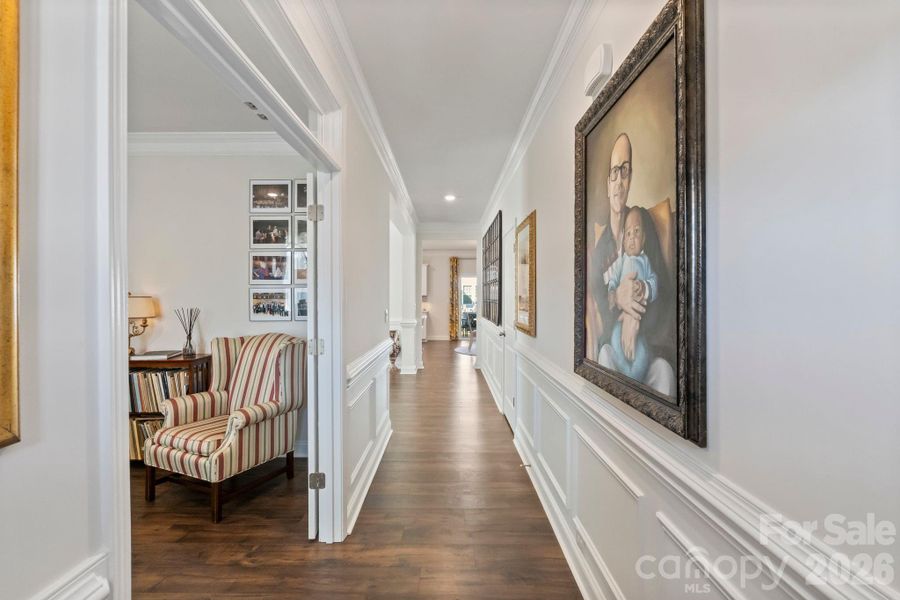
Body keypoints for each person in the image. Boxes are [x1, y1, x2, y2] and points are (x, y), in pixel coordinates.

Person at [588, 132, 676, 396]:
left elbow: (666, 294)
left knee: (665, 372)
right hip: (614, 351)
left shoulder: (642, 222)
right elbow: (599, 304)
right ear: (608, 184)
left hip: (646, 349)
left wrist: (634, 317)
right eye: (614, 172)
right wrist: (617, 298)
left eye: (625, 171)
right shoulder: (599, 249)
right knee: (603, 357)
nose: (619, 181)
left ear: (631, 178)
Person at [603, 206, 657, 380]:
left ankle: (634, 377)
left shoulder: (646, 261)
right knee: (616, 341)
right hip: (620, 321)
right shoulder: (621, 261)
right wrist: (613, 292)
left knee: (642, 354)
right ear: (623, 240)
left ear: (644, 239)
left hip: (639, 322)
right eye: (628, 233)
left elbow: (654, 282)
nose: (632, 237)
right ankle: (626, 373)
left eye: (636, 232)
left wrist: (645, 287)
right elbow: (612, 281)